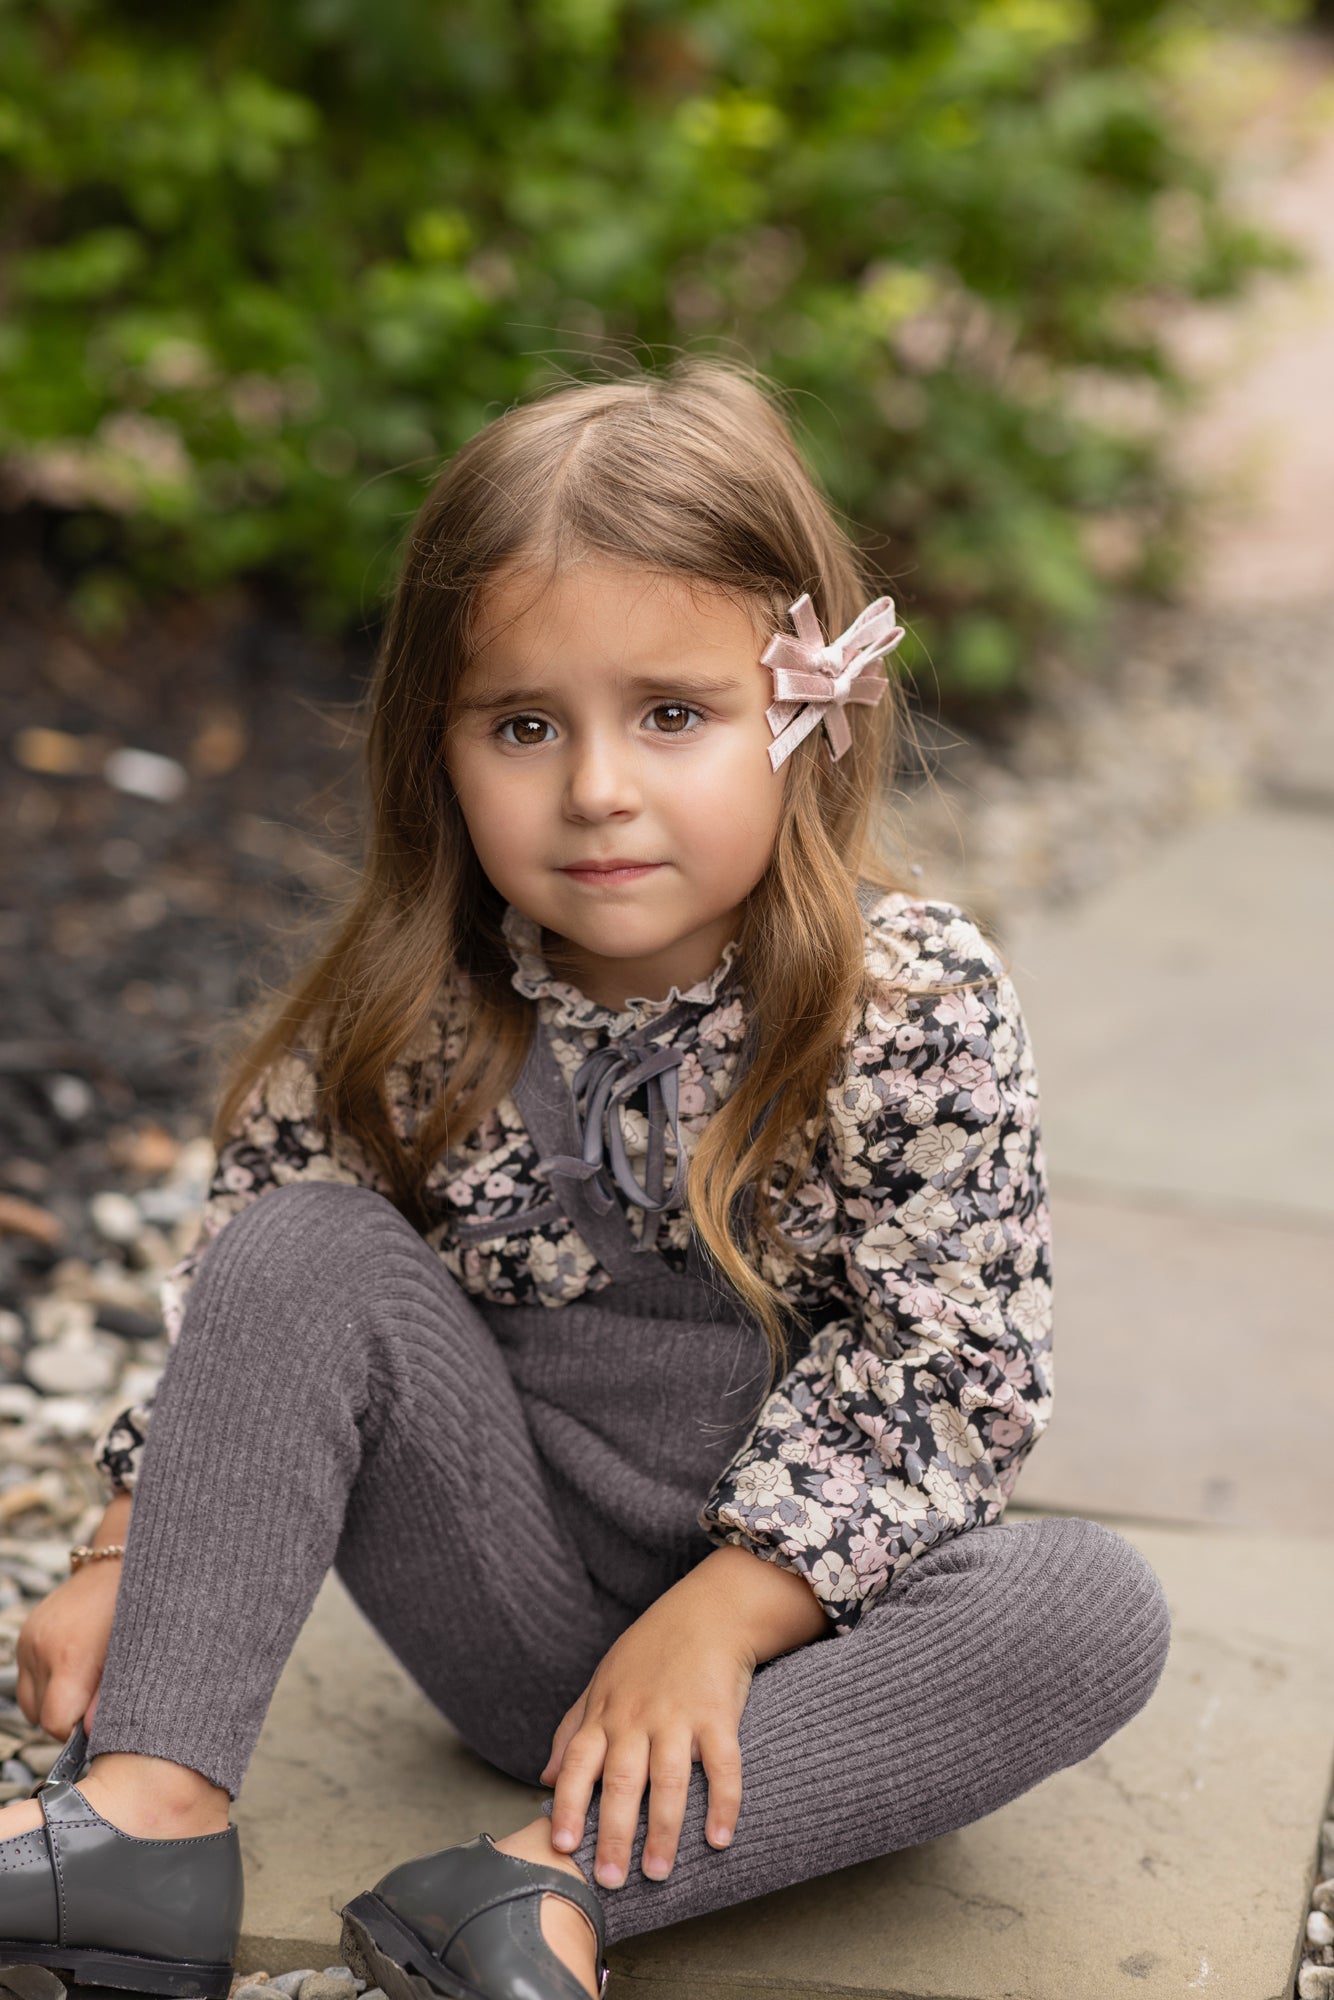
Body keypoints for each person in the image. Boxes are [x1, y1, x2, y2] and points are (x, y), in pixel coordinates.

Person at [1, 358, 1171, 2000]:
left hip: (800, 1663)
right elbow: (246, 1319)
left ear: (803, 717)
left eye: (672, 715)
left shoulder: (907, 1006)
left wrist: (721, 1618)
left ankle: (534, 1889)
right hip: (512, 1608)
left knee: (1087, 1605)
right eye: (524, 724)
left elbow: (949, 1365)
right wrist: (134, 1544)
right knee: (300, 1245)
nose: (598, 788)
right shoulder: (408, 1009)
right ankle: (147, 1829)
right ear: (440, 748)